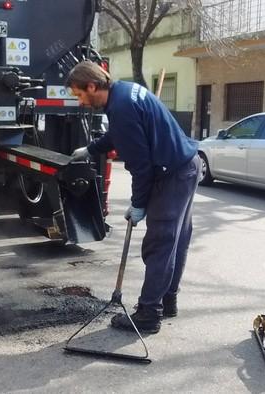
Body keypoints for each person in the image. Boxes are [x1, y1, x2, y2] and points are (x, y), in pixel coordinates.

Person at [67, 61, 199, 334]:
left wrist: (138, 204)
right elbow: (118, 134)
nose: (80, 102)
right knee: (177, 239)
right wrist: (91, 149)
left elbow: (141, 167)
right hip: (186, 165)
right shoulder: (125, 92)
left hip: (172, 174)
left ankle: (149, 314)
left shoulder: (122, 108)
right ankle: (167, 300)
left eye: (79, 95)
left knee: (160, 243)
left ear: (92, 86)